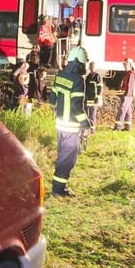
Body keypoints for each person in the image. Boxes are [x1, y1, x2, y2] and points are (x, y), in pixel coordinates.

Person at [49, 46, 90, 197]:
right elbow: (76, 107)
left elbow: (52, 99)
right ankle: (59, 189)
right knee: (68, 159)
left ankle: (58, 186)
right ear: (80, 62)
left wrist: (55, 111)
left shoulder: (61, 75)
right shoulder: (78, 80)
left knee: (62, 156)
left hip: (59, 125)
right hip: (71, 127)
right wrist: (86, 125)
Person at [113, 58, 135, 131]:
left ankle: (117, 127)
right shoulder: (128, 73)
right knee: (128, 111)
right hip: (127, 95)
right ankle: (127, 127)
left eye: (125, 64)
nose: (124, 65)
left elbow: (130, 86)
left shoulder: (131, 74)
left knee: (122, 110)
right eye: (124, 64)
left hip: (127, 96)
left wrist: (126, 95)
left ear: (130, 64)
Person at [84, 61, 103, 134]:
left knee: (92, 115)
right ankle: (88, 129)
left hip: (94, 99)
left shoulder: (97, 76)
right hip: (88, 99)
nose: (91, 68)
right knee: (87, 114)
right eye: (90, 66)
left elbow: (100, 88)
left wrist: (98, 97)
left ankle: (92, 130)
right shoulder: (88, 76)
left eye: (93, 66)